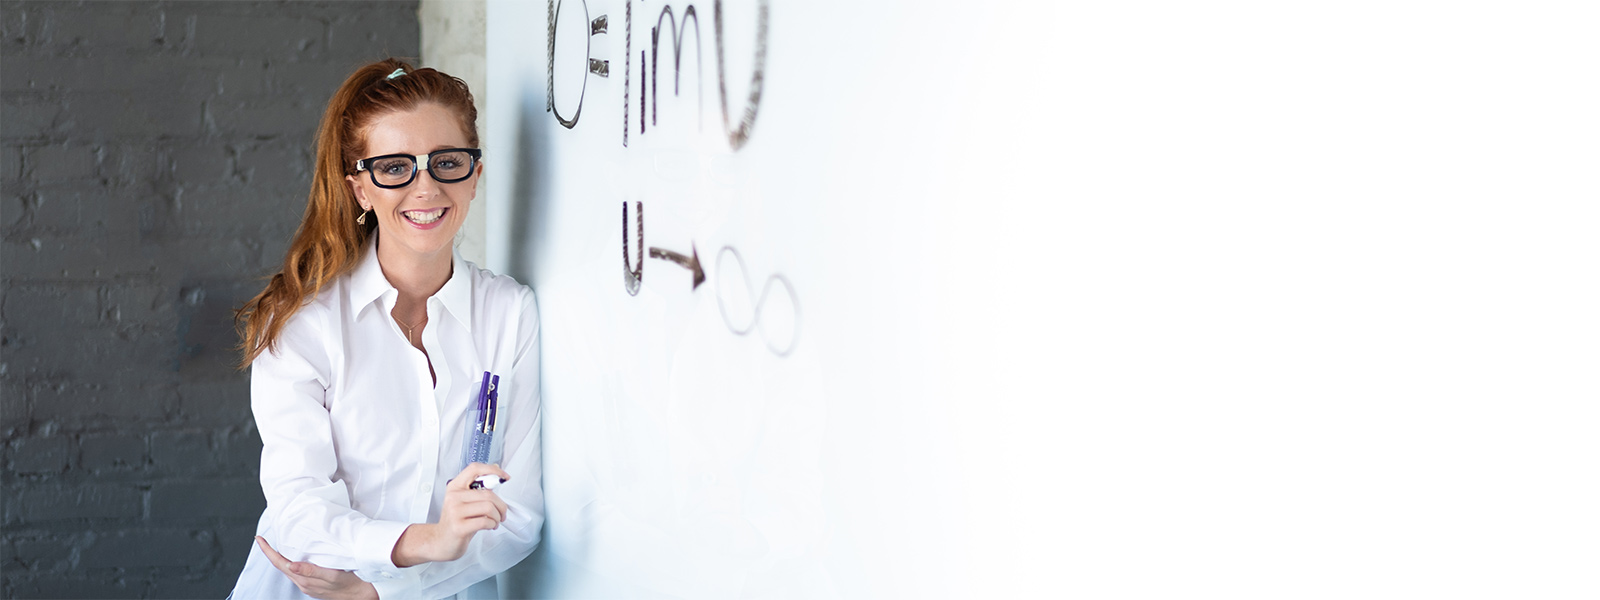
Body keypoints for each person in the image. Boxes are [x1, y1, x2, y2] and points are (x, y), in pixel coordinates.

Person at [228, 58, 542, 599]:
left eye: (447, 162)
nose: (426, 189)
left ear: (475, 175)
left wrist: (381, 593)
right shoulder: (303, 322)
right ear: (360, 189)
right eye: (395, 167)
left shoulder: (510, 314)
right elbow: (299, 509)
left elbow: (518, 516)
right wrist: (427, 542)